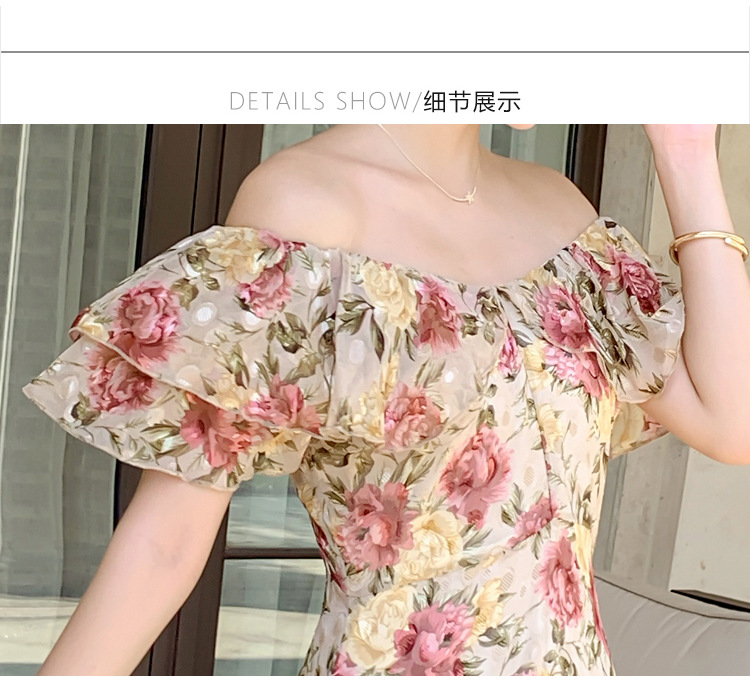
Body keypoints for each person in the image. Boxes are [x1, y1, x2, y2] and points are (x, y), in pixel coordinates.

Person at [21, 124, 750, 676]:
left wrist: (686, 154)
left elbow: (733, 422)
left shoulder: (562, 212)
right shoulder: (305, 209)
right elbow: (165, 544)